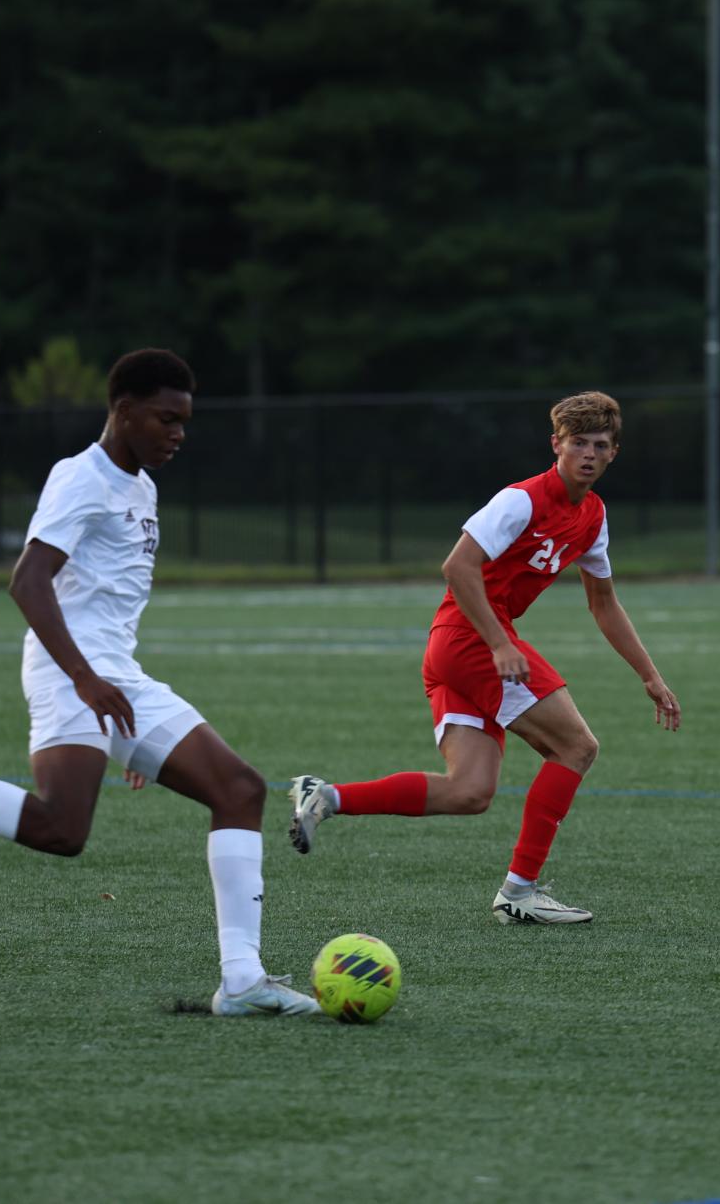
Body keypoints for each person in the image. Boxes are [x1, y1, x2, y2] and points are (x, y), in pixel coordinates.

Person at [0, 349, 319, 1016]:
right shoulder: (81, 478)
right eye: (166, 419)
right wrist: (84, 681)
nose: (178, 434)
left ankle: (242, 982)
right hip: (68, 671)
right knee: (60, 828)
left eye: (184, 422)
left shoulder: (141, 485)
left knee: (240, 790)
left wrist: (134, 737)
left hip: (115, 678)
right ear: (123, 411)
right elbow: (27, 581)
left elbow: (105, 606)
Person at [285, 390, 680, 925]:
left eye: (600, 444)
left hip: (462, 646)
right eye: (578, 442)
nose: (588, 453)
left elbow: (603, 603)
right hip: (470, 641)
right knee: (576, 747)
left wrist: (650, 676)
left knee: (469, 792)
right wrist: (499, 644)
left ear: (614, 454)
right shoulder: (521, 500)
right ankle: (520, 892)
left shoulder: (592, 516)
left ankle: (324, 797)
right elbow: (458, 567)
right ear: (556, 445)